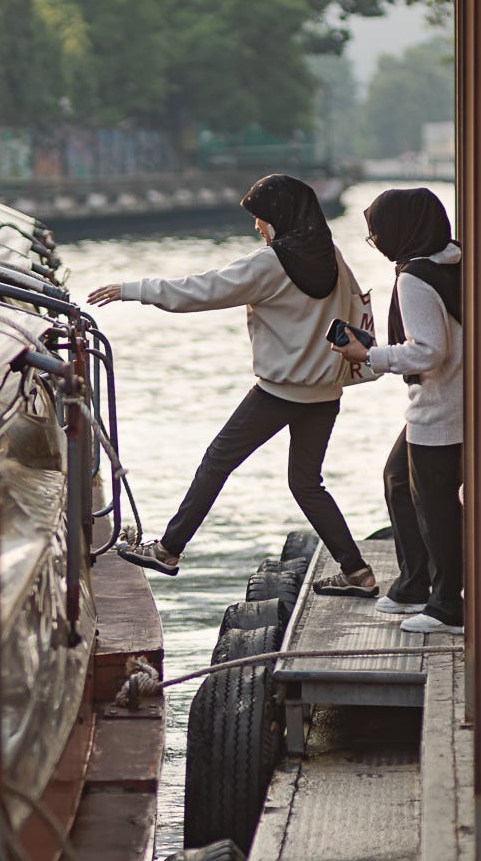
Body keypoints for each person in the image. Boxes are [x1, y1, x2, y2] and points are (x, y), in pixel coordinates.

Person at [90, 175, 381, 597]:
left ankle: (169, 550)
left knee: (217, 460)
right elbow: (356, 313)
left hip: (279, 392)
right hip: (325, 393)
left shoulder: (270, 263)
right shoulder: (332, 257)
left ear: (279, 218)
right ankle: (357, 572)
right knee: (306, 483)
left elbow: (203, 290)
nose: (257, 228)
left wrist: (134, 289)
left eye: (260, 219)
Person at [332, 187, 464, 634]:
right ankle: (414, 585)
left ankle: (447, 605)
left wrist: (368, 355)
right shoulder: (454, 260)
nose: (378, 241)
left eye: (378, 233)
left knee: (436, 506)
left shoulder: (415, 279)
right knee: (398, 479)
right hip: (458, 402)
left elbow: (428, 352)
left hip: (439, 407)